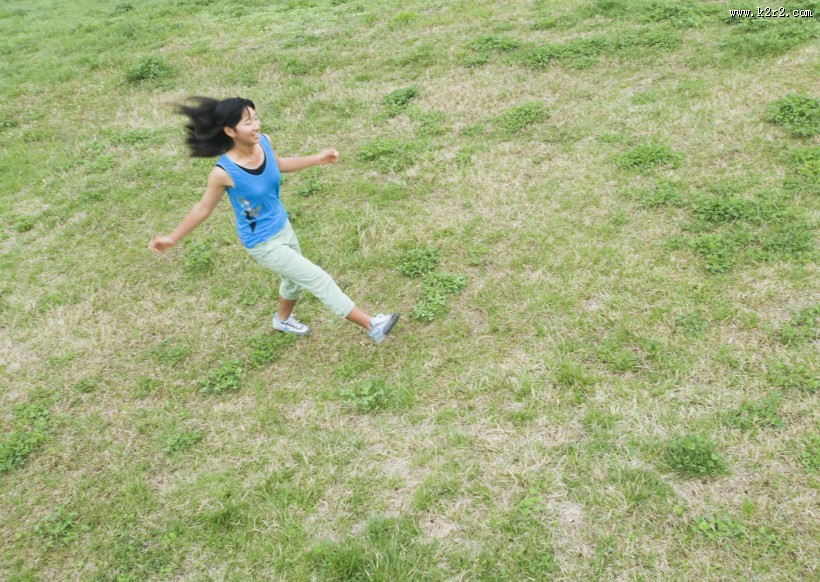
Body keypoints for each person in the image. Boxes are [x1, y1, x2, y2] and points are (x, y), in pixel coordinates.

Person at [149, 97, 399, 344]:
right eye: (248, 122)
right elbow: (203, 208)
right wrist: (172, 237)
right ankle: (372, 326)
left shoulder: (264, 142)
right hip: (262, 242)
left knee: (293, 281)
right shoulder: (223, 172)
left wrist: (316, 159)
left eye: (255, 118)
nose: (256, 125)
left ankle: (282, 319)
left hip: (283, 226)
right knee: (316, 278)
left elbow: (277, 165)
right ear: (230, 130)